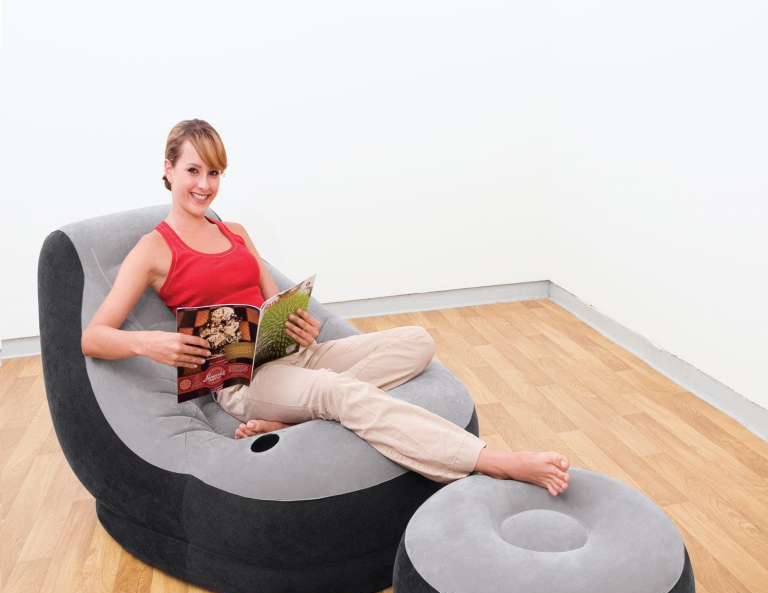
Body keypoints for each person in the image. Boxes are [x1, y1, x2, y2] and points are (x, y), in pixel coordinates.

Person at [81, 119, 570, 496]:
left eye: (214, 172)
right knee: (340, 392)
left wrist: (297, 324)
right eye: (193, 170)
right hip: (241, 380)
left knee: (418, 342)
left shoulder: (236, 232)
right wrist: (152, 343)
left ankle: (298, 415)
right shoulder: (153, 249)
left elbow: (271, 303)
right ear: (168, 170)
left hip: (292, 356)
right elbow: (93, 336)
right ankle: (490, 460)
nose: (204, 184)